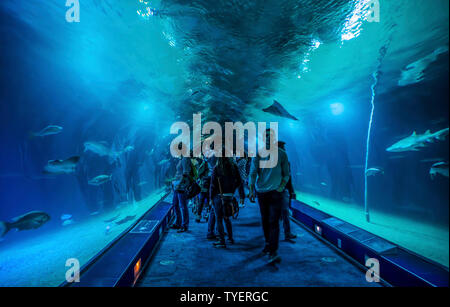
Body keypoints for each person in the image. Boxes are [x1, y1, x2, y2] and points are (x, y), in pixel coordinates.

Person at [249, 129, 290, 264]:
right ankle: (268, 244)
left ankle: (273, 251)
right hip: (262, 192)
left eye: (270, 136)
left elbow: (286, 174)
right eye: (265, 136)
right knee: (265, 220)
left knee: (274, 221)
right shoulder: (258, 154)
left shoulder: (282, 154)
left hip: (275, 192)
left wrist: (281, 187)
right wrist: (251, 188)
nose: (267, 138)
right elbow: (253, 172)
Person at [209, 156, 245, 248]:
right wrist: (233, 190)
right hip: (229, 196)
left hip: (219, 196)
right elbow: (239, 181)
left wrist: (211, 198)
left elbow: (212, 185)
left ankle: (221, 241)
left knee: (219, 219)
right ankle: (230, 238)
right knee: (227, 217)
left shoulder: (217, 168)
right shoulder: (234, 167)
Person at [170, 143, 192, 233]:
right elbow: (178, 172)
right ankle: (178, 222)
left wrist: (180, 184)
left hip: (181, 186)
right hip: (176, 185)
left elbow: (186, 173)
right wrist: (173, 182)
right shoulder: (181, 159)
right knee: (175, 204)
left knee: (183, 206)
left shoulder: (186, 159)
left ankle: (184, 225)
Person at [277, 141, 297, 241]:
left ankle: (287, 233)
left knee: (284, 212)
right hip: (277, 191)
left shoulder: (286, 161)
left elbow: (288, 177)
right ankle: (283, 234)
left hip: (282, 190)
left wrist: (291, 190)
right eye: (282, 147)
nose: (284, 149)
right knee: (281, 213)